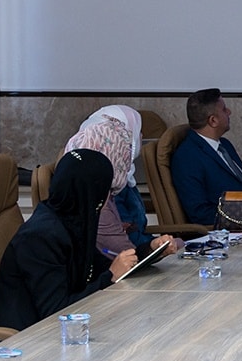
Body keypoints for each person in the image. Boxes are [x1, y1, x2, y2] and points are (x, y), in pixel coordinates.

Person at [0, 148, 135, 331]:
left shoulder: (72, 221)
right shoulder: (40, 237)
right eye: (107, 190)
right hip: (27, 339)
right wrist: (110, 277)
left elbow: (100, 266)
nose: (108, 197)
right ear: (93, 194)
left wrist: (148, 251)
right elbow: (55, 312)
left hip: (58, 333)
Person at [66, 106, 177, 262]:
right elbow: (124, 249)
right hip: (119, 265)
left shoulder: (118, 178)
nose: (140, 137)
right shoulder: (105, 190)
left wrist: (156, 245)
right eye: (135, 132)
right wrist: (165, 245)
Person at [172, 88, 242, 225]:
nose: (229, 112)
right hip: (234, 229)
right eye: (224, 110)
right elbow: (200, 214)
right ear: (213, 120)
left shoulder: (225, 145)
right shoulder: (186, 158)